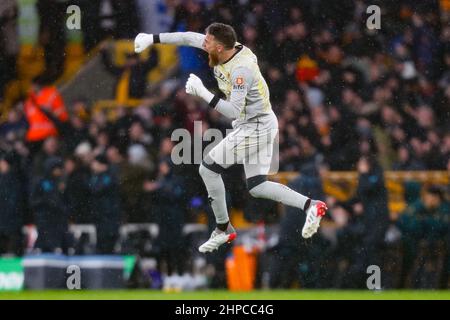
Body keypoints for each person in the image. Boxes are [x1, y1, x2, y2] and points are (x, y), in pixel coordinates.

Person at [134, 22, 328, 253]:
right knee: (257, 186)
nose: (203, 43)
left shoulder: (241, 70)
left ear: (219, 47)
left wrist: (202, 92)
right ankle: (311, 205)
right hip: (259, 123)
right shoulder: (223, 48)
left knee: (208, 168)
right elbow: (186, 37)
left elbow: (234, 111)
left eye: (207, 41)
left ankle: (223, 228)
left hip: (254, 126)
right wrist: (152, 38)